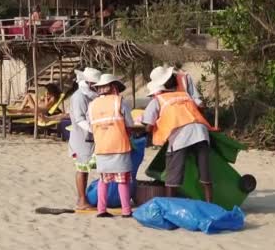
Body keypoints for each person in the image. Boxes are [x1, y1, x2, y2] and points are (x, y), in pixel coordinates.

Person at [142, 66, 214, 202]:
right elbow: (199, 107)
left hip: (180, 136)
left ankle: (170, 205)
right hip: (201, 132)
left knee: (172, 174)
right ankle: (210, 204)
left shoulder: (157, 101)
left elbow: (148, 126)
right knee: (205, 173)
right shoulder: (184, 94)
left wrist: (145, 131)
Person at [88, 74, 134, 218]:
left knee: (104, 180)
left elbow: (91, 127)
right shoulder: (120, 102)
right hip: (119, 146)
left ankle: (101, 209)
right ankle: (126, 211)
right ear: (114, 87)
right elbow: (130, 124)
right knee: (123, 180)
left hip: (102, 147)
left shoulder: (92, 105)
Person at [69, 67, 102, 210]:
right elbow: (79, 119)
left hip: (90, 137)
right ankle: (82, 200)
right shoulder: (79, 97)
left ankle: (83, 199)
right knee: (82, 168)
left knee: (86, 168)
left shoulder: (89, 95)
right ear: (89, 83)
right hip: (81, 139)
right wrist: (95, 129)